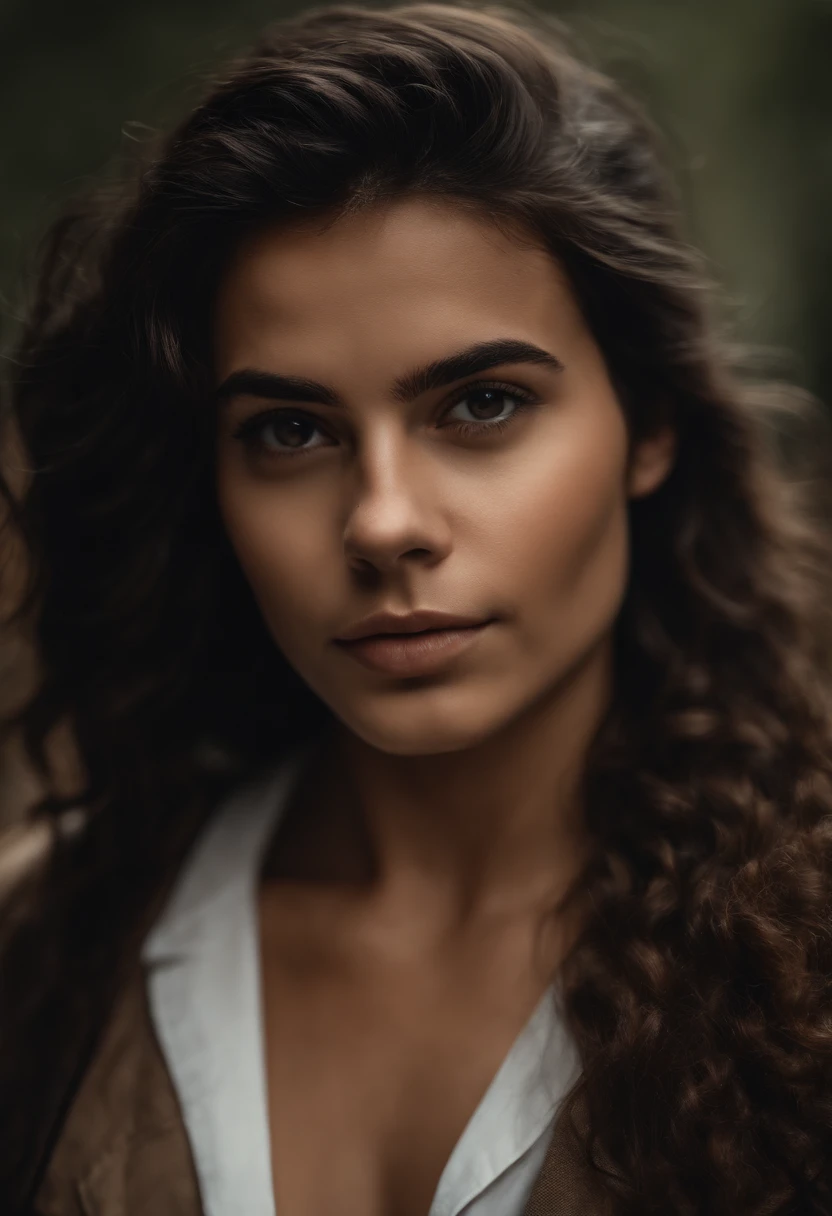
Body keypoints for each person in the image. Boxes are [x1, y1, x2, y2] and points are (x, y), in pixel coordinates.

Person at [1, 2, 831, 1212]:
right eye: (289, 430)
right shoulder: (44, 949)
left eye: (482, 405)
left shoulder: (803, 958)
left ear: (648, 424)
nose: (383, 520)